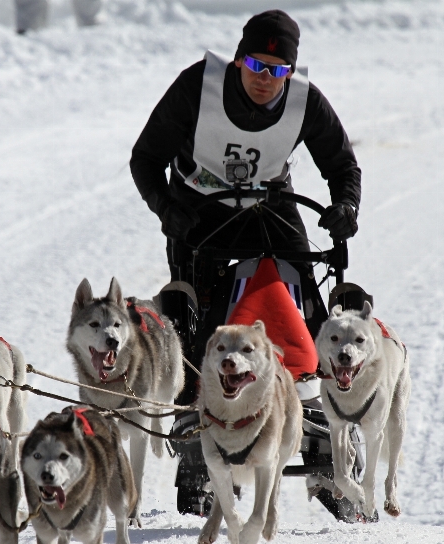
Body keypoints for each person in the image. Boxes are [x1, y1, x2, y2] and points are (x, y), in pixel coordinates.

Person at [130, 9, 361, 352]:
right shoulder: (196, 87)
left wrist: (346, 205)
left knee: (309, 297)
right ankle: (191, 386)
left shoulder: (306, 102)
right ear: (239, 61)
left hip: (270, 206)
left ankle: (319, 376)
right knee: (191, 317)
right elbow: (146, 159)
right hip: (198, 206)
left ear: (290, 73)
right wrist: (166, 208)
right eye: (256, 65)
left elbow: (342, 165)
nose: (265, 78)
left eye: (277, 70)